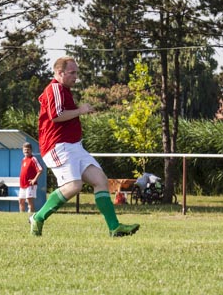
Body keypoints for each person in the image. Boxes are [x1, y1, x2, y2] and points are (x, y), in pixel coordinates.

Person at [29, 56, 140, 237]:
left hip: (74, 147)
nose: (76, 77)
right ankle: (38, 217)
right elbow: (56, 116)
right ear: (59, 73)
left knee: (100, 180)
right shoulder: (55, 88)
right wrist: (80, 110)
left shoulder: (64, 90)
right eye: (72, 73)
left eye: (76, 73)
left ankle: (114, 227)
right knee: (74, 186)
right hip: (58, 147)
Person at [18, 142, 43, 213]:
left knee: (29, 201)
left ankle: (30, 216)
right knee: (21, 201)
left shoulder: (33, 159)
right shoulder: (23, 159)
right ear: (23, 150)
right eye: (25, 149)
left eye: (28, 149)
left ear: (31, 150)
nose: (26, 151)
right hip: (22, 185)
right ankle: (21, 216)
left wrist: (34, 179)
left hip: (30, 184)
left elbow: (40, 169)